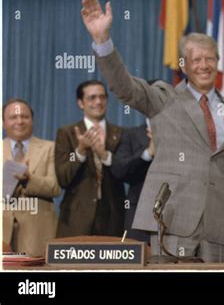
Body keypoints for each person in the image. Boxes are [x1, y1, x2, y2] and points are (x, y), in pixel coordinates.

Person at [80, 0, 224, 262]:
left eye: (210, 59)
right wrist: (102, 41)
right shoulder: (164, 98)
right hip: (171, 219)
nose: (204, 65)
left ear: (218, 63)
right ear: (184, 65)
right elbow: (125, 88)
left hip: (220, 227)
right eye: (196, 60)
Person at [55, 80, 125, 237]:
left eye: (102, 97)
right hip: (76, 219)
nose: (98, 102)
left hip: (113, 217)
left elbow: (125, 172)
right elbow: (63, 177)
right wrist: (80, 151)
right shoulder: (67, 133)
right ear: (80, 103)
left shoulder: (119, 133)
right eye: (92, 98)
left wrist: (106, 156)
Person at [2, 98, 61, 256]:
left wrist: (29, 179)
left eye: (25, 116)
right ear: (3, 122)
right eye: (13, 117)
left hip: (37, 233)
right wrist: (11, 179)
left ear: (32, 120)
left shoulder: (51, 148)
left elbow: (55, 187)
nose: (19, 121)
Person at [110, 121, 154, 243]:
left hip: (174, 213)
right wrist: (148, 154)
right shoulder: (130, 134)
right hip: (138, 214)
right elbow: (120, 170)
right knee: (138, 257)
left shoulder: (179, 132)